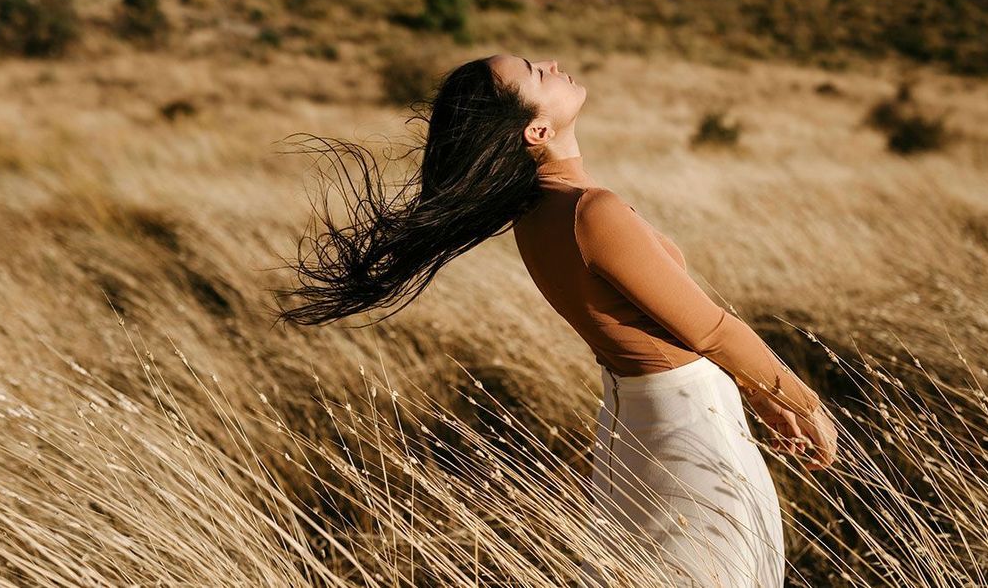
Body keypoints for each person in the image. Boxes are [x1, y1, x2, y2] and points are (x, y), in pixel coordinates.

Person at [274, 53, 838, 587]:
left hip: (641, 424)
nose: (550, 65)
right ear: (536, 131)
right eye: (534, 75)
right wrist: (797, 400)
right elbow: (711, 330)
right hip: (688, 425)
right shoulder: (588, 211)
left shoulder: (542, 212)